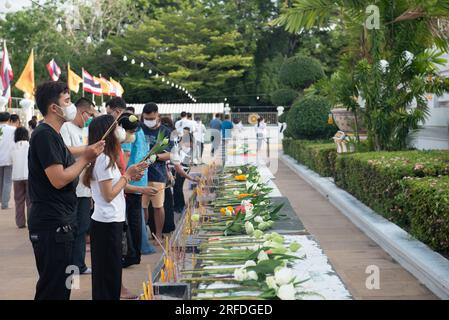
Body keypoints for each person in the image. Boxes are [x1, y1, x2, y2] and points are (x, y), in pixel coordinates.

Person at [28, 81, 105, 300]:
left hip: (62, 222)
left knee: (63, 285)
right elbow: (59, 179)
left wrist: (89, 154)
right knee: (53, 288)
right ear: (54, 107)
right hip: (52, 225)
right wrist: (86, 158)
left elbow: (68, 163)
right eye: (67, 101)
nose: (72, 106)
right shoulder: (44, 135)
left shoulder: (54, 135)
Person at [83, 115, 147, 300]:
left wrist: (140, 187)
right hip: (107, 221)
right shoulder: (103, 159)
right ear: (109, 133)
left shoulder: (105, 157)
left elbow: (116, 186)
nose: (120, 130)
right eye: (116, 127)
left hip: (111, 220)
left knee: (109, 272)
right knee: (108, 275)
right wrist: (127, 175)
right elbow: (109, 194)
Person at [60, 97, 96, 276]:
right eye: (89, 114)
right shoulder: (67, 127)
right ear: (83, 112)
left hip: (85, 187)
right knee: (72, 229)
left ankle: (79, 265)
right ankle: (70, 267)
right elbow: (67, 150)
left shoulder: (86, 129)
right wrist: (88, 150)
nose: (90, 118)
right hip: (72, 186)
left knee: (82, 228)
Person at [118, 113, 158, 268]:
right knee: (135, 218)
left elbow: (126, 155)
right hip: (139, 177)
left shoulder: (127, 135)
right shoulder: (139, 130)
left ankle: (132, 254)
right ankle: (135, 253)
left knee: (130, 219)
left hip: (129, 180)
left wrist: (123, 174)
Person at [141, 103, 174, 241]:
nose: (149, 121)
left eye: (152, 118)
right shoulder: (139, 128)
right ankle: (143, 235)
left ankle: (159, 234)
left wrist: (156, 157)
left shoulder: (165, 132)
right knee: (142, 207)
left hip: (157, 175)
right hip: (140, 175)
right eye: (146, 118)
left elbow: (171, 154)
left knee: (158, 206)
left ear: (157, 115)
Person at [10, 127, 31, 228]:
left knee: (18, 201)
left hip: (17, 176)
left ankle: (20, 223)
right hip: (29, 175)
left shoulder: (13, 146)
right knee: (30, 201)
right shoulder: (30, 145)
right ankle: (31, 222)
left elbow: (10, 160)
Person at [0, 112, 16, 210]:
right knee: (7, 181)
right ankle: (4, 203)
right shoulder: (13, 130)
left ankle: (1, 201)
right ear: (9, 119)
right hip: (9, 158)